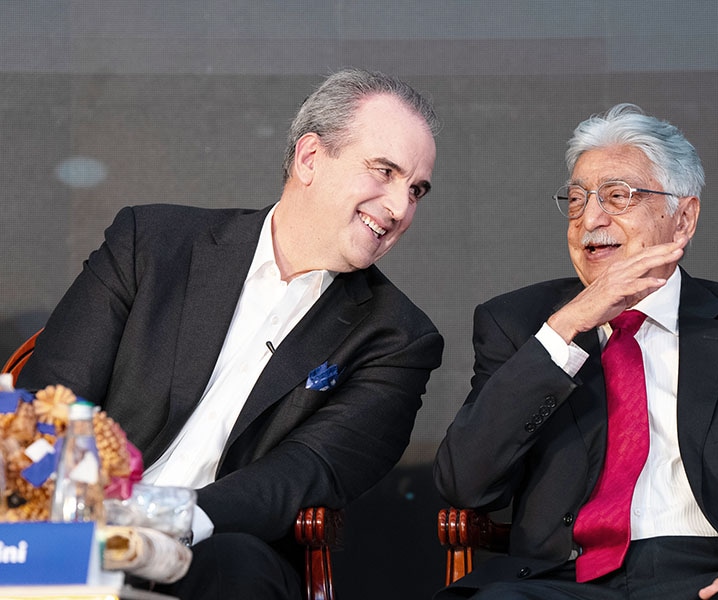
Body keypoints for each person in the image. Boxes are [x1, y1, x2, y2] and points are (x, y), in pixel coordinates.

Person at [433, 103, 718, 600]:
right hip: (560, 582)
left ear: (683, 219)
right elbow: (466, 483)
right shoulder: (520, 325)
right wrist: (566, 327)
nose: (590, 218)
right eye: (576, 200)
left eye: (617, 196)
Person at [18, 67, 444, 599]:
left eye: (416, 190)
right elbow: (51, 402)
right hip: (72, 525)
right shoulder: (150, 244)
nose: (401, 207)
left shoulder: (398, 338)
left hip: (211, 549)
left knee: (237, 566)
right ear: (310, 158)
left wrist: (162, 520)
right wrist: (80, 520)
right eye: (384, 171)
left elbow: (305, 472)